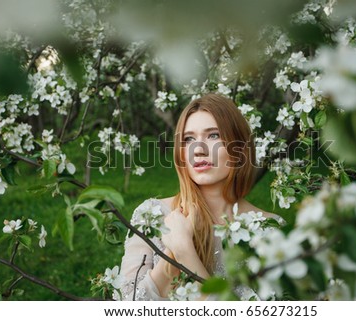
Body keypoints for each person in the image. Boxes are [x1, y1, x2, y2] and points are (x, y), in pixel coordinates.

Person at [117, 93, 280, 300]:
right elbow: (127, 304)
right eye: (189, 139)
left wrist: (184, 250)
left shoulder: (270, 230)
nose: (198, 150)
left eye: (213, 135)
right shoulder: (152, 215)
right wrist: (171, 254)